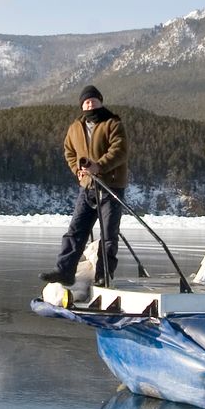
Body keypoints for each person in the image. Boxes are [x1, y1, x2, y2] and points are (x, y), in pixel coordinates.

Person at [46, 87, 128, 288]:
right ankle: (64, 271)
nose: (89, 104)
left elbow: (120, 151)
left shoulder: (112, 123)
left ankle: (104, 275)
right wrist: (77, 170)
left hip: (111, 185)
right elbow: (69, 151)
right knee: (76, 230)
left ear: (100, 101)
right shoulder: (75, 127)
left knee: (109, 234)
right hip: (88, 187)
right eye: (86, 102)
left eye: (93, 100)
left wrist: (99, 166)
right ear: (81, 105)